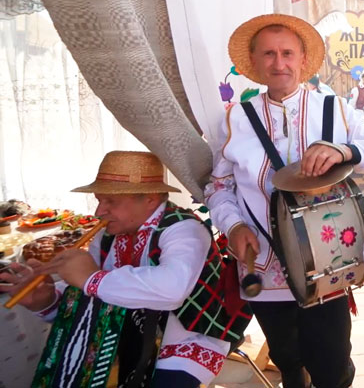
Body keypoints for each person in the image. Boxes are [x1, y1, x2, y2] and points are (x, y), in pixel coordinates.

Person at [204, 14, 364, 388]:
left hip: (330, 263)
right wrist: (234, 225)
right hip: (262, 263)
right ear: (255, 62)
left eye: (287, 53)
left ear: (303, 59)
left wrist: (345, 150)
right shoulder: (235, 120)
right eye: (269, 54)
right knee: (287, 358)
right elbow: (218, 187)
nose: (279, 63)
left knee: (332, 364)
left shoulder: (335, 109)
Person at [0, 151, 238, 387]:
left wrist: (92, 279)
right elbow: (87, 297)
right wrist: (47, 300)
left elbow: (172, 289)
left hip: (184, 342)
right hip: (119, 334)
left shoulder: (184, 229)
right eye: (98, 200)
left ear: (150, 199)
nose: (98, 212)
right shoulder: (106, 234)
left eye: (110, 201)